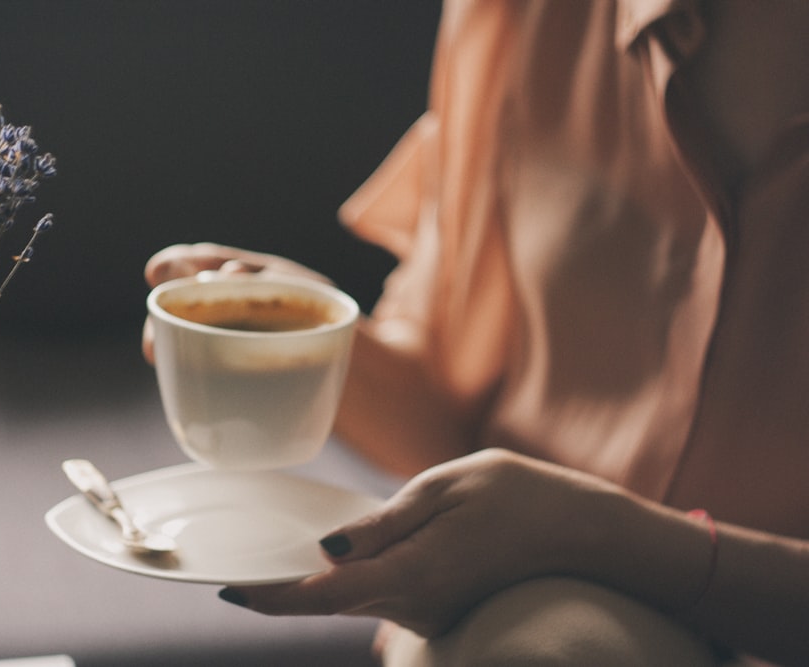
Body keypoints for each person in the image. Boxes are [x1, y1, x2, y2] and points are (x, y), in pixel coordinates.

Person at [144, 1, 809, 665]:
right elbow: (447, 417)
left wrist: (598, 532)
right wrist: (309, 334)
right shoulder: (532, 16)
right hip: (550, 604)